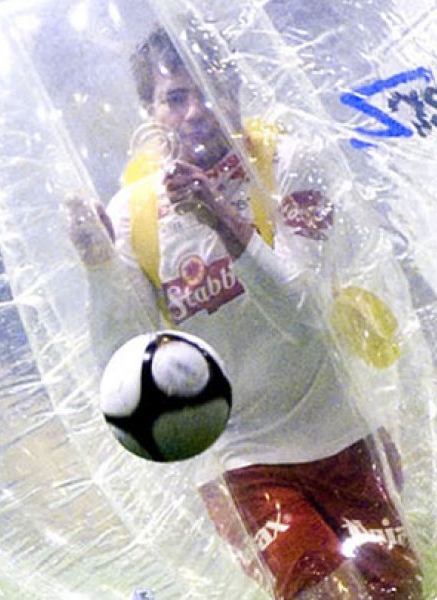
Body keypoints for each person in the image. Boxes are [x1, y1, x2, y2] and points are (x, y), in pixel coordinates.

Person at [69, 27, 422, 599]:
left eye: (207, 91)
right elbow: (121, 358)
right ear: (149, 111)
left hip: (345, 432)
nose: (195, 113)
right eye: (174, 98)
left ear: (232, 87)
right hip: (240, 460)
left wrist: (218, 216)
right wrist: (98, 268)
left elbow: (304, 314)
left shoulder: (288, 165)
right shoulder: (135, 215)